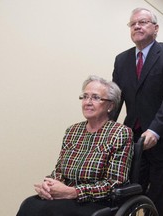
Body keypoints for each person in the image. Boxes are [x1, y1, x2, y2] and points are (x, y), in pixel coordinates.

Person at [16, 75, 133, 216]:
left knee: (52, 211)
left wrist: (73, 192)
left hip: (96, 202)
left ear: (110, 105)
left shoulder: (120, 133)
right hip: (64, 197)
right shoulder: (72, 131)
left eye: (95, 97)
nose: (88, 102)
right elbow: (59, 171)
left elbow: (114, 184)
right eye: (85, 97)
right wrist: (49, 185)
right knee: (30, 205)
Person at [112, 7, 163, 216]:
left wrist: (155, 130)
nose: (137, 26)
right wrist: (105, 128)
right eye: (133, 23)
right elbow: (116, 98)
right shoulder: (121, 59)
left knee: (159, 200)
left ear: (155, 28)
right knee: (131, 194)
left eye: (143, 22)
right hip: (133, 140)